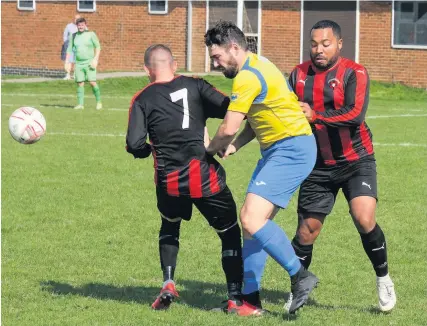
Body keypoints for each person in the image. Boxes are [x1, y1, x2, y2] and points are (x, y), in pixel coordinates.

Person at [126, 44, 252, 315]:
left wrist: (150, 149)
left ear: (147, 70)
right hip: (205, 178)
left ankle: (168, 283)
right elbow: (232, 109)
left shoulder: (142, 99)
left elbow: (134, 144)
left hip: (169, 182)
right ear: (174, 65)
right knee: (230, 234)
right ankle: (234, 298)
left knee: (170, 227)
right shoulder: (195, 85)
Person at [204, 21, 318, 315]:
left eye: (217, 57)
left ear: (233, 48)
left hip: (291, 149)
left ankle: (299, 275)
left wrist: (210, 149)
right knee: (253, 226)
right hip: (281, 149)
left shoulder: (247, 76)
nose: (215, 64)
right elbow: (258, 120)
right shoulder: (259, 64)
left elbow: (229, 127)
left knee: (251, 218)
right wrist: (237, 146)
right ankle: (250, 302)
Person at [288, 20, 396, 312]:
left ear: (339, 43)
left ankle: (383, 278)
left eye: (325, 44)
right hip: (317, 165)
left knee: (363, 218)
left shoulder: (355, 72)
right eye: (313, 44)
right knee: (306, 232)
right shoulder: (297, 74)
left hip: (356, 160)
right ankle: (297, 289)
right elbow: (284, 110)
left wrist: (315, 116)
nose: (318, 50)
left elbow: (355, 114)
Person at [65, 17, 102, 110]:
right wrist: (67, 62)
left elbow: (98, 46)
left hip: (89, 63)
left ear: (85, 25)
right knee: (80, 83)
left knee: (92, 82)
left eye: (82, 25)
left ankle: (99, 102)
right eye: (79, 25)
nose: (80, 27)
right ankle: (80, 104)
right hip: (78, 64)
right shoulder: (73, 36)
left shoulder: (91, 34)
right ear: (76, 26)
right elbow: (69, 49)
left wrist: (95, 59)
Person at [61, 15, 80, 80]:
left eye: (78, 19)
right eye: (75, 18)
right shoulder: (69, 26)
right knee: (68, 61)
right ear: (73, 19)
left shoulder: (82, 26)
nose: (76, 20)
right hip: (69, 46)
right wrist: (66, 43)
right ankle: (67, 75)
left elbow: (86, 34)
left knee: (76, 61)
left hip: (78, 47)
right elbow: (65, 35)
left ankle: (75, 75)